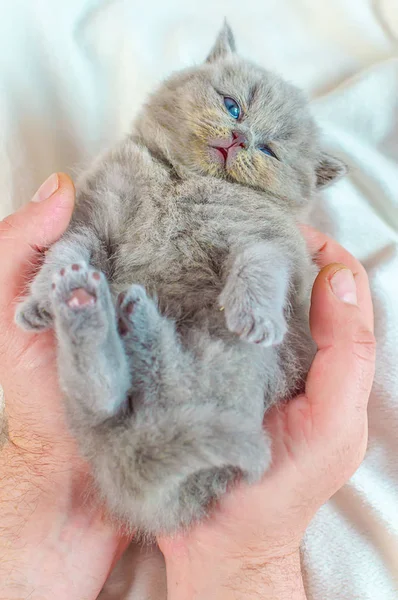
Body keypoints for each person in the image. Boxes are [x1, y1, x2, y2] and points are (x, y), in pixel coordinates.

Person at [0, 173, 375, 600]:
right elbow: (88, 230)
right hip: (174, 404)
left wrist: (46, 459)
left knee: (211, 369)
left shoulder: (263, 218)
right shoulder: (133, 168)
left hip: (200, 388)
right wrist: (243, 559)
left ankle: (108, 363)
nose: (240, 145)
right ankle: (106, 365)